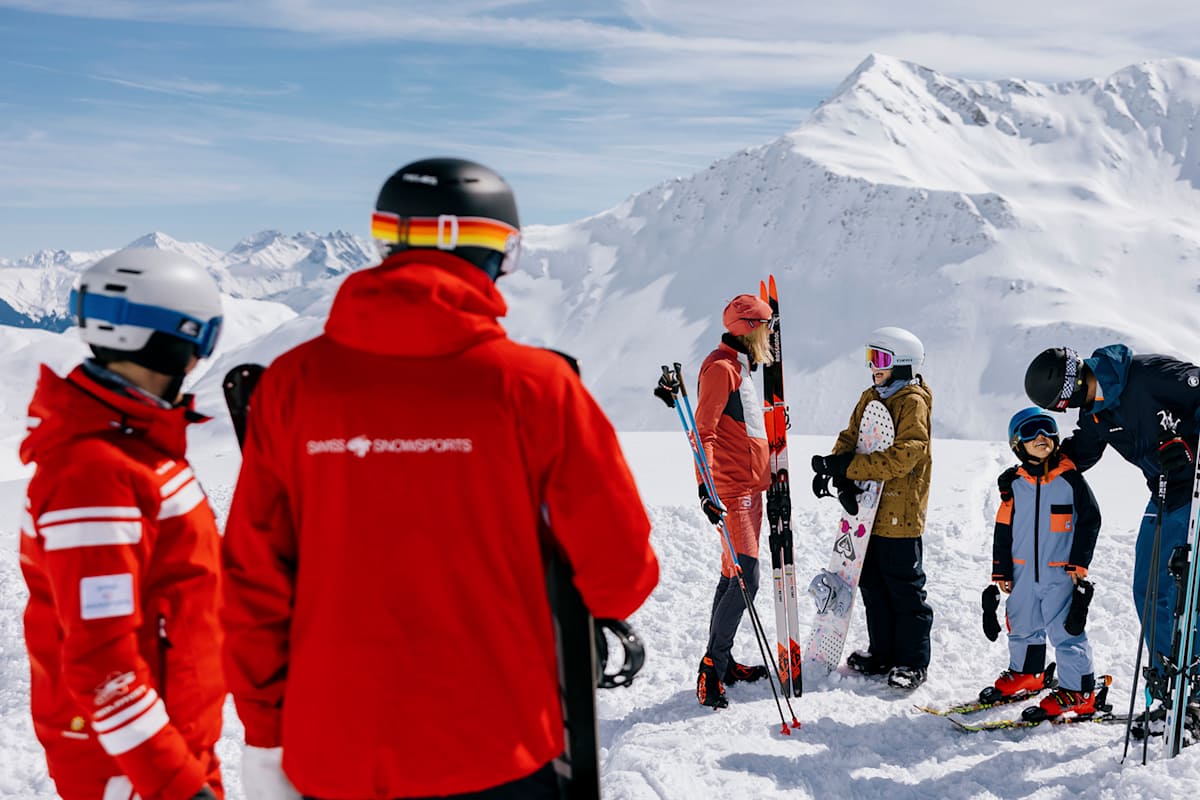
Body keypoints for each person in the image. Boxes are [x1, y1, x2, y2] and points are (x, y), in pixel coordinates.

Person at [220, 157, 659, 799]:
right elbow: (619, 575)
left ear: (388, 241)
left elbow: (254, 580)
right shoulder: (536, 389)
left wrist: (265, 740)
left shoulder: (292, 385)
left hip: (336, 752)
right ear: (492, 251)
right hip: (498, 748)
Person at [18, 249, 225, 799]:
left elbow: (176, 580)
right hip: (133, 770)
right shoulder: (97, 475)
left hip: (166, 746)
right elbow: (101, 665)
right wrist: (177, 786)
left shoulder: (133, 447)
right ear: (178, 342)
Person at [1024, 344, 1200, 729]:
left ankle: (1195, 695)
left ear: (1067, 385)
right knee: (1149, 589)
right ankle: (1168, 694)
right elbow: (1080, 453)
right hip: (1166, 492)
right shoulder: (1097, 414)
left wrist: (1189, 445)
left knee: (1184, 593)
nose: (1063, 410)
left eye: (1058, 403)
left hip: (1197, 491)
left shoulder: (1150, 375)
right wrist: (1037, 467)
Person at [811, 326, 934, 690]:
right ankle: (882, 652)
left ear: (902, 364)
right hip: (870, 512)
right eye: (870, 359)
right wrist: (837, 468)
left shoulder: (911, 401)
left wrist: (850, 468)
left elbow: (907, 456)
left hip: (900, 515)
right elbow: (851, 436)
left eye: (880, 360)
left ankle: (911, 662)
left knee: (904, 589)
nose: (873, 368)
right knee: (873, 586)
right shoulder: (871, 396)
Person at [986, 407, 1101, 716]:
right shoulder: (1014, 485)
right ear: (1016, 444)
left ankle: (1079, 690)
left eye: (1046, 429)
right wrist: (1001, 569)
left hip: (1060, 574)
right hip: (1022, 571)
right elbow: (1003, 528)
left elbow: (1090, 520)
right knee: (1021, 624)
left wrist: (1079, 564)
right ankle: (1028, 672)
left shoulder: (1070, 480)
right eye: (1030, 431)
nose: (1040, 437)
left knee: (1066, 631)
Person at [691, 294, 775, 709]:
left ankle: (722, 662)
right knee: (747, 579)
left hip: (751, 487)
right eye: (766, 326)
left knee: (731, 577)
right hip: (732, 490)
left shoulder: (741, 367)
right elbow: (703, 431)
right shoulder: (721, 369)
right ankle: (711, 668)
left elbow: (740, 426)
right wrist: (706, 487)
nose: (770, 334)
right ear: (748, 329)